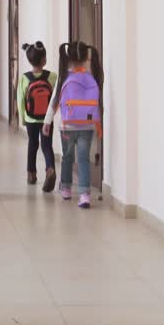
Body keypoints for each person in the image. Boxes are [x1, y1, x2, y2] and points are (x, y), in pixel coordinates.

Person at [43, 41, 103, 209]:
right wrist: (98, 125)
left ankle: (66, 188)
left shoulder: (64, 78)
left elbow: (54, 101)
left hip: (67, 127)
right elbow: (96, 104)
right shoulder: (91, 77)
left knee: (67, 158)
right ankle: (84, 195)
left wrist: (47, 121)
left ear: (68, 58)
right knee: (83, 159)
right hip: (87, 127)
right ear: (86, 58)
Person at [17, 42, 58, 191]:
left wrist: (22, 117)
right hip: (47, 119)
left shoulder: (24, 78)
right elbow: (56, 97)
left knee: (32, 145)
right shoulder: (52, 77)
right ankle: (50, 169)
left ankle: (31, 174)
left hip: (31, 119)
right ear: (44, 60)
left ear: (29, 60)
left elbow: (20, 99)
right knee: (47, 146)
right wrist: (53, 114)